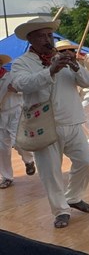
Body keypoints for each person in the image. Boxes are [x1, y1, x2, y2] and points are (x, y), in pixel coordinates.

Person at [11, 17, 89, 229]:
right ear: (31, 39)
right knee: (51, 172)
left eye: (50, 35)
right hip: (43, 124)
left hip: (72, 121)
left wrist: (75, 66)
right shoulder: (22, 63)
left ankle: (73, 197)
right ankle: (60, 210)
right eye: (43, 36)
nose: (49, 40)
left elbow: (87, 82)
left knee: (85, 161)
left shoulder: (63, 58)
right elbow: (22, 84)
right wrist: (50, 70)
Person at [55, 40, 89, 151]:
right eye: (61, 52)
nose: (63, 54)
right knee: (82, 117)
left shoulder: (86, 57)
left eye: (64, 51)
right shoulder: (62, 64)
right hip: (79, 94)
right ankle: (87, 141)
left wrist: (86, 58)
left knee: (82, 115)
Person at [0, 54, 36, 189]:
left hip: (16, 112)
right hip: (1, 116)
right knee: (2, 148)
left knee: (18, 142)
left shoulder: (11, 76)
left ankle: (29, 160)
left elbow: (28, 89)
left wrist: (15, 89)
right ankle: (6, 177)